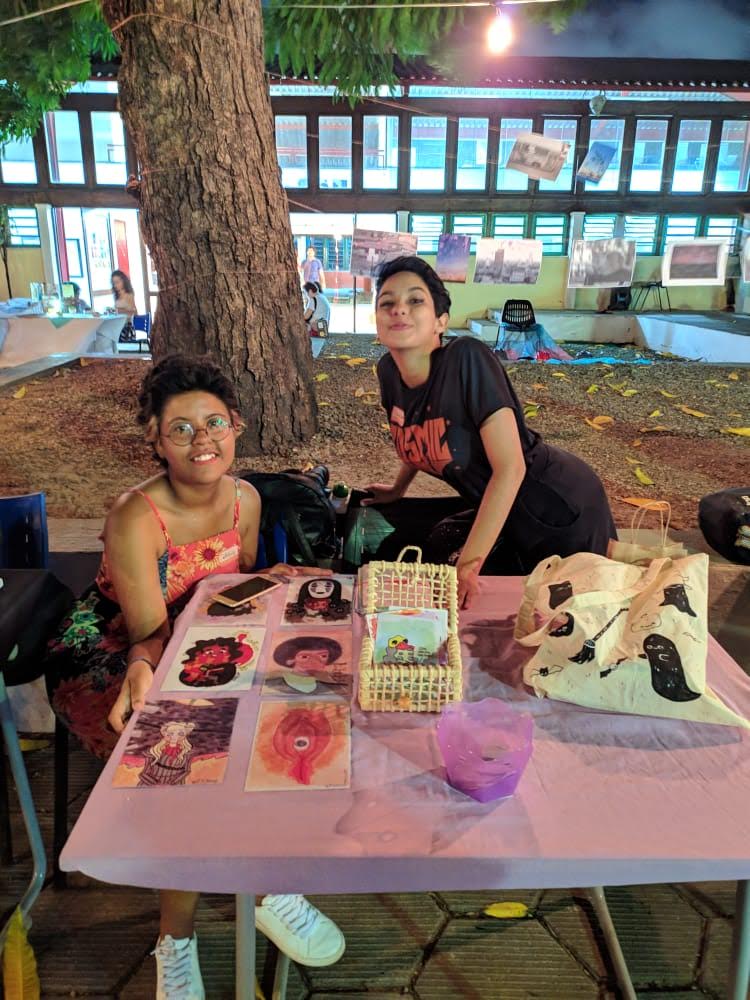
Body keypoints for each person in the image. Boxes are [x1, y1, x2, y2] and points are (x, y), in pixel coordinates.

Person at [44, 354, 345, 999]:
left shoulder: (246, 499)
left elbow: (230, 589)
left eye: (214, 423)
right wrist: (148, 669)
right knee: (181, 757)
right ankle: (179, 939)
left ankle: (261, 881)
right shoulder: (135, 517)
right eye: (180, 428)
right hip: (116, 651)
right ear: (156, 440)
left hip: (203, 636)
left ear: (236, 426)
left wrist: (272, 581)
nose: (200, 439)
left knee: (281, 714)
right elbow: (149, 632)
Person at [363, 256, 617, 608]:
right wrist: (397, 489)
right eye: (386, 302)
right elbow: (416, 429)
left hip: (555, 506)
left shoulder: (467, 358)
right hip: (500, 507)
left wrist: (468, 566)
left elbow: (511, 468)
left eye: (415, 300)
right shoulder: (388, 372)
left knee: (560, 614)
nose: (398, 309)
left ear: (440, 321)